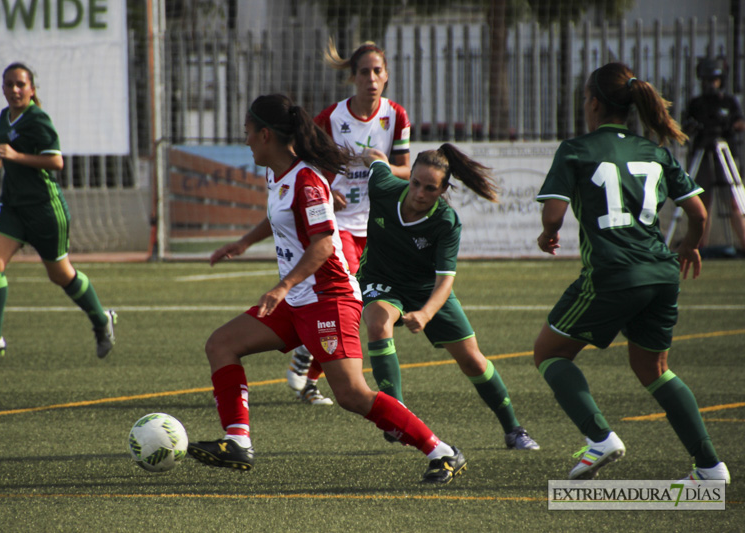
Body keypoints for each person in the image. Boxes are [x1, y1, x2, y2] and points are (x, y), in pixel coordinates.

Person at [187, 94, 466, 484]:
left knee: (352, 394)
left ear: (266, 135)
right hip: (299, 300)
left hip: (328, 299)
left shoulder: (307, 181)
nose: (246, 140)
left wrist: (282, 286)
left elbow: (322, 244)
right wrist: (245, 243)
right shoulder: (277, 174)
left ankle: (442, 451)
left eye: (248, 132)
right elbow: (281, 215)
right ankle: (237, 441)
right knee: (221, 344)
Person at [534, 62, 729, 483]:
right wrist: (690, 245)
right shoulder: (655, 152)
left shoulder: (576, 148)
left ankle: (600, 438)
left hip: (613, 271)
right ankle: (710, 466)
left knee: (549, 352)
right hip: (660, 272)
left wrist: (548, 234)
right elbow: (698, 211)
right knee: (653, 369)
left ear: (592, 102)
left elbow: (554, 212)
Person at [358, 144, 539, 451]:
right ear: (409, 176)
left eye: (430, 188)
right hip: (381, 280)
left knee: (473, 361)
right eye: (415, 183)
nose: (419, 193)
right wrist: (368, 153)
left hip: (427, 289)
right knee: (378, 324)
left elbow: (444, 282)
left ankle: (513, 429)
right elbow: (378, 163)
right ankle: (397, 414)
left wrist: (426, 314)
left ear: (443, 190)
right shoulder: (384, 187)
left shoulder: (445, 221)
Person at [285, 39, 412, 405]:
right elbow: (307, 165)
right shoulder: (331, 118)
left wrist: (385, 168)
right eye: (364, 72)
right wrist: (327, 190)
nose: (371, 79)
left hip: (377, 228)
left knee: (365, 310)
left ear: (386, 76)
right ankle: (310, 378)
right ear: (352, 78)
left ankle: (307, 362)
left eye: (377, 71)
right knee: (350, 307)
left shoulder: (396, 116)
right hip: (339, 226)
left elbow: (405, 170)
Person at [0, 62, 116, 360]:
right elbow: (5, 152)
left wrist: (15, 155)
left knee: (60, 275)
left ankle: (101, 319)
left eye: (21, 84)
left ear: (32, 89)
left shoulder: (39, 120)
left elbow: (55, 162)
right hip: (13, 206)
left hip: (45, 208)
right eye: (9, 84)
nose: (15, 90)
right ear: (3, 89)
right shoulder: (5, 117)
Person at [683, 57, 745, 254]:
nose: (710, 85)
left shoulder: (728, 102)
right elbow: (686, 126)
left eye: (714, 80)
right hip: (702, 153)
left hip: (724, 154)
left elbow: (740, 123)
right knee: (703, 201)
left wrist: (727, 124)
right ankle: (700, 246)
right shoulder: (696, 104)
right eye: (707, 81)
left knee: (734, 202)